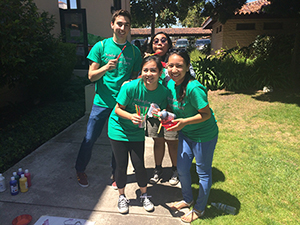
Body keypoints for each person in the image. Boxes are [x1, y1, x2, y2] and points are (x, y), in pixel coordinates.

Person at [75, 9, 142, 188]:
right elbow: (91, 76)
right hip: (101, 103)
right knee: (89, 139)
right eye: (119, 24)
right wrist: (105, 68)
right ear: (112, 25)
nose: (123, 28)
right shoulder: (101, 47)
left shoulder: (134, 52)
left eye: (126, 25)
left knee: (118, 141)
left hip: (121, 105)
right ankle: (80, 169)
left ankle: (116, 173)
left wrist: (132, 83)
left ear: (129, 28)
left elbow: (135, 80)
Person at [108, 55, 169, 214]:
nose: (149, 74)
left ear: (160, 72)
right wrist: (130, 116)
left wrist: (159, 114)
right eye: (145, 70)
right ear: (141, 72)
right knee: (121, 166)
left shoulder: (163, 92)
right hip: (118, 128)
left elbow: (160, 110)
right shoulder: (130, 87)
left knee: (139, 164)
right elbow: (117, 109)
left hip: (136, 130)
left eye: (153, 70)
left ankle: (144, 195)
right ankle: (122, 196)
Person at [166, 51, 219, 223]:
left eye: (179, 65)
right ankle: (187, 199)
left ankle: (199, 209)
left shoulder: (194, 88)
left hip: (203, 135)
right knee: (181, 169)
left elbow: (205, 114)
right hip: (186, 133)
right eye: (171, 65)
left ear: (188, 67)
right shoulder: (171, 85)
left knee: (203, 172)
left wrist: (184, 122)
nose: (174, 69)